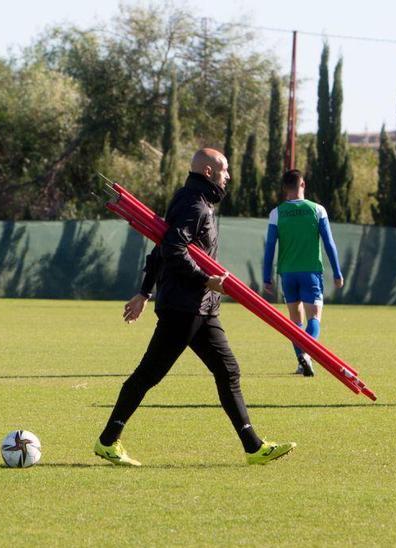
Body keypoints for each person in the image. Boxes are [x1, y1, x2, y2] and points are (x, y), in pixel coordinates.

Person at [94, 148, 295, 467]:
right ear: (209, 173)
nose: (228, 176)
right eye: (225, 170)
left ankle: (253, 447)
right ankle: (107, 441)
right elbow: (173, 248)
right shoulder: (194, 205)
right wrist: (205, 279)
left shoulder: (192, 200)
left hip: (201, 307)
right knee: (149, 374)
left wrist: (145, 292)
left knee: (227, 370)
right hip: (185, 307)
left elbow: (162, 245)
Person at [261, 170, 344, 377]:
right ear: (303, 184)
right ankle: (307, 355)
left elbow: (270, 246)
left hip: (287, 274)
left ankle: (301, 362)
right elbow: (329, 243)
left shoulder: (277, 213)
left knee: (295, 322)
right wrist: (337, 271)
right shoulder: (317, 210)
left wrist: (266, 276)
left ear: (284, 188)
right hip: (311, 272)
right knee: (314, 318)